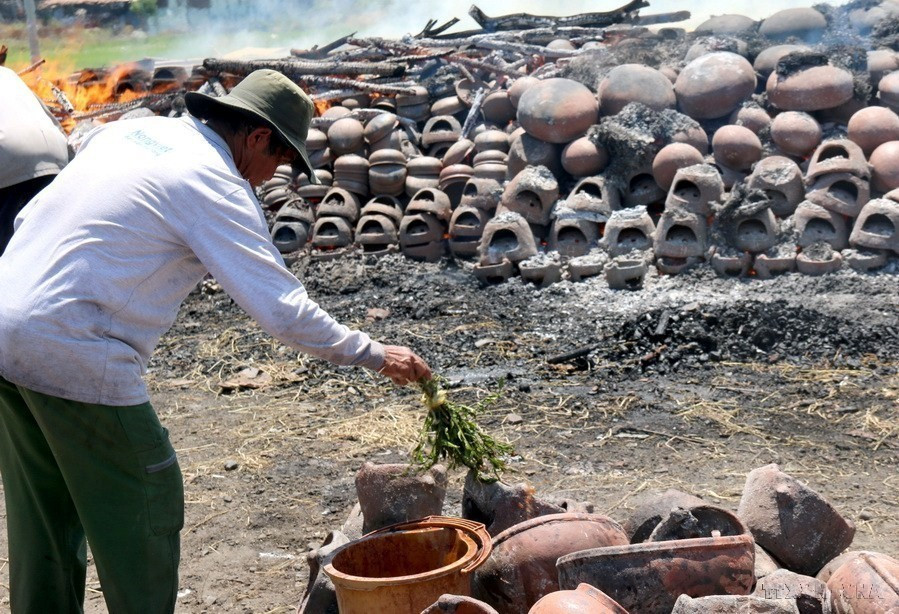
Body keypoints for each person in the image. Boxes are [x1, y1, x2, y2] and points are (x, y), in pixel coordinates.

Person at [0, 69, 431, 613]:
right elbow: (280, 308)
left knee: (47, 510)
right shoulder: (210, 179)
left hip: (5, 325)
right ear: (255, 137)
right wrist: (371, 352)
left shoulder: (129, 133)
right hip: (73, 345)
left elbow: (30, 214)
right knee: (147, 500)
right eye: (279, 159)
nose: (272, 176)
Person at [0, 64, 70, 255]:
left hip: (8, 159)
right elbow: (49, 118)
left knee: (8, 250)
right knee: (47, 239)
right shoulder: (7, 74)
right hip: (54, 152)